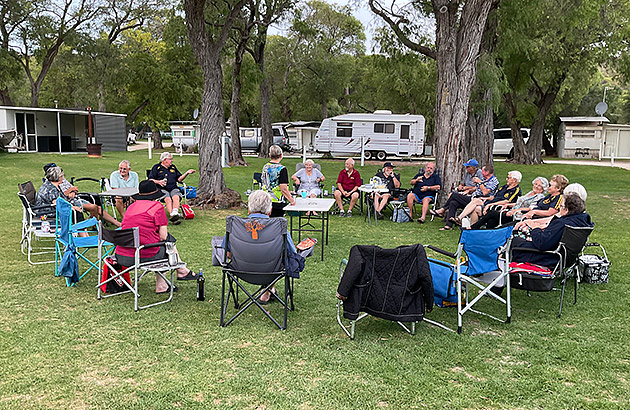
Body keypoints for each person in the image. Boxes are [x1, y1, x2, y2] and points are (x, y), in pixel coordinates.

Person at [114, 180, 196, 294]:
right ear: (155, 196)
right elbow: (163, 236)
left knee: (166, 241)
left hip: (121, 255)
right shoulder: (157, 207)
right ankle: (164, 283)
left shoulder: (131, 207)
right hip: (142, 255)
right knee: (168, 245)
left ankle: (181, 271)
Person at [225, 190, 303, 304]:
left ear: (248, 209)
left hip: (241, 270)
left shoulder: (235, 225)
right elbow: (291, 252)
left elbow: (227, 253)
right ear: (270, 210)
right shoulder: (280, 228)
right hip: (272, 272)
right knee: (280, 258)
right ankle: (269, 290)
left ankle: (268, 291)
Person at [511, 193, 593, 268]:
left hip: (549, 257)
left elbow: (542, 243)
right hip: (567, 258)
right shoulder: (582, 221)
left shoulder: (563, 223)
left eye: (560, 207)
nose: (559, 210)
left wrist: (535, 227)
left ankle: (501, 264)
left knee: (514, 241)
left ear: (566, 210)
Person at [36, 166, 121, 231]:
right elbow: (57, 203)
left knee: (96, 207)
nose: (63, 177)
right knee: (92, 208)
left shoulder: (54, 185)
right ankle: (94, 227)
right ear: (58, 177)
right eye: (62, 176)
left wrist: (72, 192)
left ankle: (101, 225)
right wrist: (72, 205)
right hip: (54, 210)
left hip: (71, 200)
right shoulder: (51, 188)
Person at [432, 164, 499, 230]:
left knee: (454, 195)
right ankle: (448, 225)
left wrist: (479, 182)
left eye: (483, 171)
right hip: (472, 197)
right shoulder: (483, 179)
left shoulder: (493, 181)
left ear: (487, 172)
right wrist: (468, 190)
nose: (481, 173)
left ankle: (443, 210)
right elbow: (475, 189)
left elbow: (485, 192)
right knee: (453, 202)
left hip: (481, 200)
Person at [470, 176, 548, 230]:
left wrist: (513, 211)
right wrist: (508, 205)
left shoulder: (539, 197)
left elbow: (530, 208)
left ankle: (473, 228)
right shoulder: (530, 193)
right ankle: (486, 234)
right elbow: (518, 203)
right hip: (511, 211)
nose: (536, 186)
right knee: (492, 220)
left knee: (492, 213)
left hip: (516, 215)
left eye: (539, 186)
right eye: (536, 184)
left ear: (543, 188)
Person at [453, 170, 522, 226]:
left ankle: (464, 221)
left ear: (514, 180)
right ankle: (471, 227)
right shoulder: (504, 187)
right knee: (476, 203)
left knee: (476, 205)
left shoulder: (516, 190)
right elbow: (494, 197)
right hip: (489, 203)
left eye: (508, 178)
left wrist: (489, 204)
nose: (506, 179)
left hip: (496, 207)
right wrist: (486, 198)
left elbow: (506, 202)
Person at [148, 152, 196, 225]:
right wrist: (159, 182)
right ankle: (173, 215)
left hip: (173, 188)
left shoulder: (173, 167)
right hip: (161, 189)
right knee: (168, 199)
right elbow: (150, 179)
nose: (172, 161)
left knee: (176, 197)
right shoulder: (156, 167)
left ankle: (174, 213)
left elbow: (179, 179)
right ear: (165, 160)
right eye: (170, 159)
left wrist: (187, 173)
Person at [262, 144, 296, 217]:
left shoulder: (265, 167)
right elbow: (283, 189)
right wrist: (291, 200)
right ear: (281, 155)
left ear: (269, 155)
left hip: (265, 200)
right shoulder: (282, 169)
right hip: (277, 201)